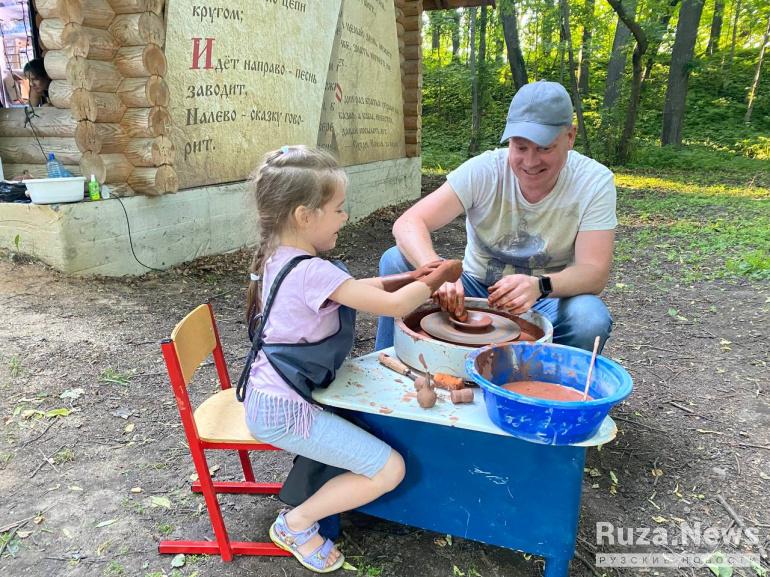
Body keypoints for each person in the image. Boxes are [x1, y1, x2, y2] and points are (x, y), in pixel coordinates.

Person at [240, 145, 462, 573]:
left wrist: (410, 275)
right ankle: (296, 524)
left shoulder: (278, 257)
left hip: (270, 397)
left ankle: (311, 502)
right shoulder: (312, 271)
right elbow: (396, 307)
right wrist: (441, 276)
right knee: (389, 470)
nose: (345, 217)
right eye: (339, 208)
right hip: (284, 412)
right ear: (305, 216)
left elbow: (354, 288)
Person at [375, 80, 617, 353]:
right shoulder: (485, 170)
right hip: (475, 285)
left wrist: (540, 286)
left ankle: (543, 376)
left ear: (570, 137)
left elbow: (593, 272)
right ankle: (387, 362)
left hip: (546, 296)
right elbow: (408, 223)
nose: (530, 162)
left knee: (589, 319)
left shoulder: (593, 182)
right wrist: (438, 272)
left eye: (544, 148)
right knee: (395, 260)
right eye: (520, 147)